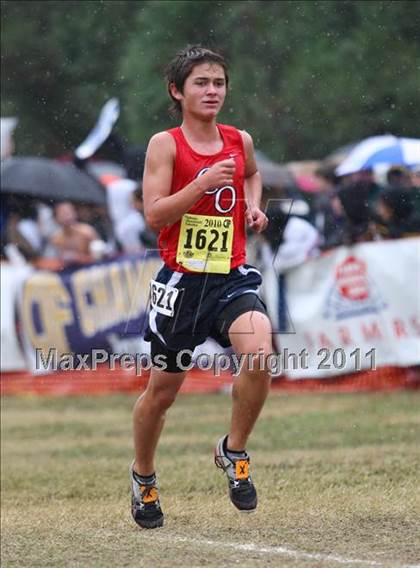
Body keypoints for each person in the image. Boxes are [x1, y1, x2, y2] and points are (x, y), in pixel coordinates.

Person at [130, 45, 272, 529]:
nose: (212, 91)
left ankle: (233, 451)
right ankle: (144, 476)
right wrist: (202, 184)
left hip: (230, 276)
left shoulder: (239, 139)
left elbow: (251, 175)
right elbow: (154, 214)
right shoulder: (165, 144)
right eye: (201, 83)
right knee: (162, 394)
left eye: (219, 83)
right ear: (177, 91)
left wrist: (253, 207)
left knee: (260, 354)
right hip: (182, 283)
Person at [49, 201, 102, 266]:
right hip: (69, 271)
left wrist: (80, 258)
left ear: (74, 213)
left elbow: (99, 254)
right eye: (62, 214)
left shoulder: (87, 232)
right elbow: (55, 261)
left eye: (68, 213)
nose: (66, 217)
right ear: (56, 218)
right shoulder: (56, 239)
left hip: (91, 267)